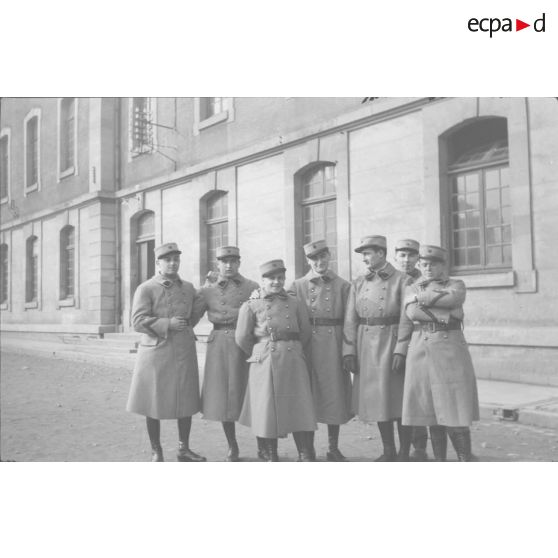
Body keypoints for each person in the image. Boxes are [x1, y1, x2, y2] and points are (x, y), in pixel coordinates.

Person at [397, 245, 480, 461]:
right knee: (430, 410)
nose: (428, 268)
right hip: (421, 349)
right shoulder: (410, 287)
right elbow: (411, 313)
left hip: (450, 349)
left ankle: (464, 458)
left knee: (454, 406)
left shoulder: (456, 284)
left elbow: (454, 300)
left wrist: (421, 298)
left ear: (443, 265)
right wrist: (444, 315)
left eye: (433, 264)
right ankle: (440, 461)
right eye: (424, 264)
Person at [126, 242, 206, 462]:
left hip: (183, 350)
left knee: (186, 400)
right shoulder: (146, 288)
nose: (172, 263)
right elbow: (137, 321)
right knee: (153, 402)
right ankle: (156, 450)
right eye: (168, 260)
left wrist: (200, 300)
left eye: (176, 259)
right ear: (158, 263)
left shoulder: (188, 288)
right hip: (156, 353)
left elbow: (192, 317)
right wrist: (167, 323)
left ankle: (184, 449)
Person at [235, 259, 317, 461]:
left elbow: (305, 333)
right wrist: (260, 352)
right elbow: (242, 337)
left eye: (280, 278)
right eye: (271, 278)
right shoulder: (251, 305)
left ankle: (305, 452)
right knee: (266, 407)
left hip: (293, 357)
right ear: (262, 281)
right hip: (264, 359)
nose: (276, 282)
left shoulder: (295, 303)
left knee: (300, 404)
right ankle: (269, 452)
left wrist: (294, 349)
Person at [343, 235, 412, 461]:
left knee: (398, 399)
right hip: (366, 345)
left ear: (381, 253)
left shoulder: (402, 280)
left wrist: (401, 348)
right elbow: (350, 319)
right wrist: (349, 350)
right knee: (378, 400)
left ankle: (404, 451)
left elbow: (406, 317)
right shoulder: (359, 282)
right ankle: (388, 450)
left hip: (390, 341)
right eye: (363, 254)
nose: (364, 259)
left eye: (367, 253)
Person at [287, 240, 352, 461]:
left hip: (333, 345)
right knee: (307, 395)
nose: (319, 262)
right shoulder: (297, 286)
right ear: (308, 261)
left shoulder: (343, 285)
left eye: (323, 256)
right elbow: (280, 304)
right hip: (306, 346)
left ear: (329, 256)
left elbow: (350, 320)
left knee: (334, 395)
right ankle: (307, 449)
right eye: (314, 258)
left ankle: (333, 447)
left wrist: (348, 350)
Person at [196, 246, 259, 461]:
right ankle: (232, 446)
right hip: (220, 345)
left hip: (246, 343)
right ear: (218, 264)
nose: (229, 265)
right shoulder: (208, 290)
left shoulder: (252, 286)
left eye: (233, 261)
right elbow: (192, 317)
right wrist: (201, 289)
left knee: (253, 393)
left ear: (239, 262)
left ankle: (263, 444)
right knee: (224, 398)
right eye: (224, 261)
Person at [393, 238, 430, 461]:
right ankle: (403, 448)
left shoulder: (424, 280)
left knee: (418, 395)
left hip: (418, 340)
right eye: (402, 255)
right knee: (399, 397)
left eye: (411, 256)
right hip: (394, 341)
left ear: (418, 258)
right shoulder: (392, 280)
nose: (407, 260)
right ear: (395, 257)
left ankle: (419, 446)